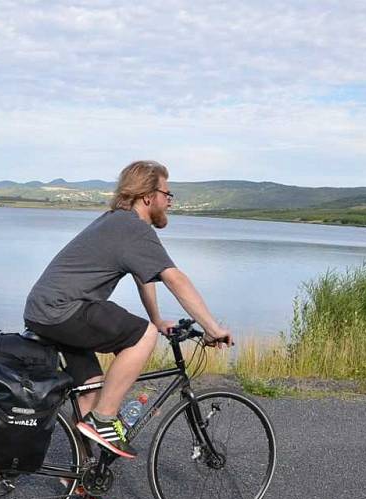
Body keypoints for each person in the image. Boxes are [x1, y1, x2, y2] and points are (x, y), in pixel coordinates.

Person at [24, 160, 232, 459]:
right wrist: (213, 328)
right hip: (62, 310)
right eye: (167, 194)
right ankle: (105, 419)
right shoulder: (132, 228)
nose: (169, 201)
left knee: (91, 392)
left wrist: (157, 319)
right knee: (141, 336)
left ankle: (79, 477)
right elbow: (175, 278)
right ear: (148, 195)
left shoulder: (116, 222)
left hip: (44, 311)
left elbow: (143, 275)